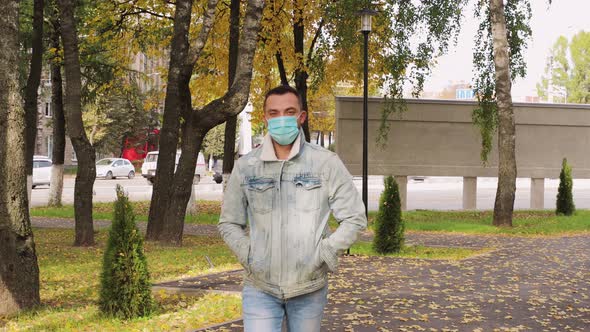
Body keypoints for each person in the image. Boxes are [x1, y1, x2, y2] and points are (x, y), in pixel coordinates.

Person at [218, 85, 367, 331]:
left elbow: (354, 218)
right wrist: (250, 256)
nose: (281, 119)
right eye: (274, 113)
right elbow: (229, 222)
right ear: (265, 117)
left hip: (308, 286)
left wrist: (324, 254)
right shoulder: (247, 167)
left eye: (289, 111)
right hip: (260, 287)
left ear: (301, 116)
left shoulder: (325, 163)